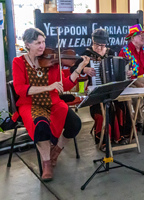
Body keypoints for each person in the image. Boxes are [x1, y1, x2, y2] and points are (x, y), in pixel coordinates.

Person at [12, 28, 90, 181]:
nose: (42, 46)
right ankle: (46, 163)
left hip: (53, 102)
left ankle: (55, 152)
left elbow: (65, 85)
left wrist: (80, 68)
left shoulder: (53, 63)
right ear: (27, 44)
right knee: (41, 126)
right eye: (37, 43)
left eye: (43, 42)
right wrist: (48, 87)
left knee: (75, 123)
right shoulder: (18, 62)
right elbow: (20, 89)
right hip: (30, 104)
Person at [70, 29, 131, 148]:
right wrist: (84, 69)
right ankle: (103, 140)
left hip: (111, 88)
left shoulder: (111, 52)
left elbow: (119, 70)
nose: (99, 48)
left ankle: (122, 136)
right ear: (92, 41)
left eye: (102, 45)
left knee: (122, 106)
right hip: (96, 90)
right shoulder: (86, 54)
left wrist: (126, 72)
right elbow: (73, 69)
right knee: (101, 111)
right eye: (97, 45)